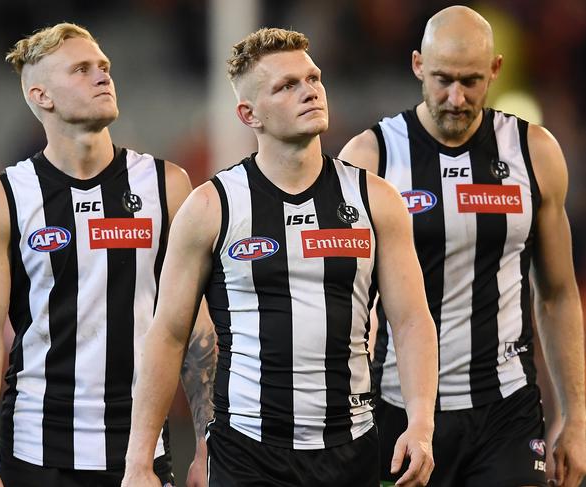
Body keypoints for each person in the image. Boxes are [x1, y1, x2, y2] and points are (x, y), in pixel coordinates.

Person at [121, 27, 438, 487]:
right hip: (246, 452)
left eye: (312, 78)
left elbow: (411, 321)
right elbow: (168, 334)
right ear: (249, 114)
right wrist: (139, 459)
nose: (309, 91)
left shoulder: (376, 199)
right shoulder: (212, 206)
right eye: (287, 86)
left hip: (351, 449)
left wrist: (421, 425)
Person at [339, 6, 586, 487]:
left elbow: (557, 294)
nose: (456, 97)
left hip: (505, 411)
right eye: (442, 80)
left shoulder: (534, 153)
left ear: (495, 69)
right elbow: (343, 300)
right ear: (417, 66)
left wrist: (576, 416)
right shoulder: (370, 158)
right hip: (398, 409)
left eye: (471, 81)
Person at [0, 23, 215, 487]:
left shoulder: (168, 186)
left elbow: (195, 325)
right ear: (42, 96)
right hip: (34, 452)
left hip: (139, 452)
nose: (102, 76)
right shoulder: (4, 198)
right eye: (81, 69)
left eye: (104, 67)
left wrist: (205, 445)